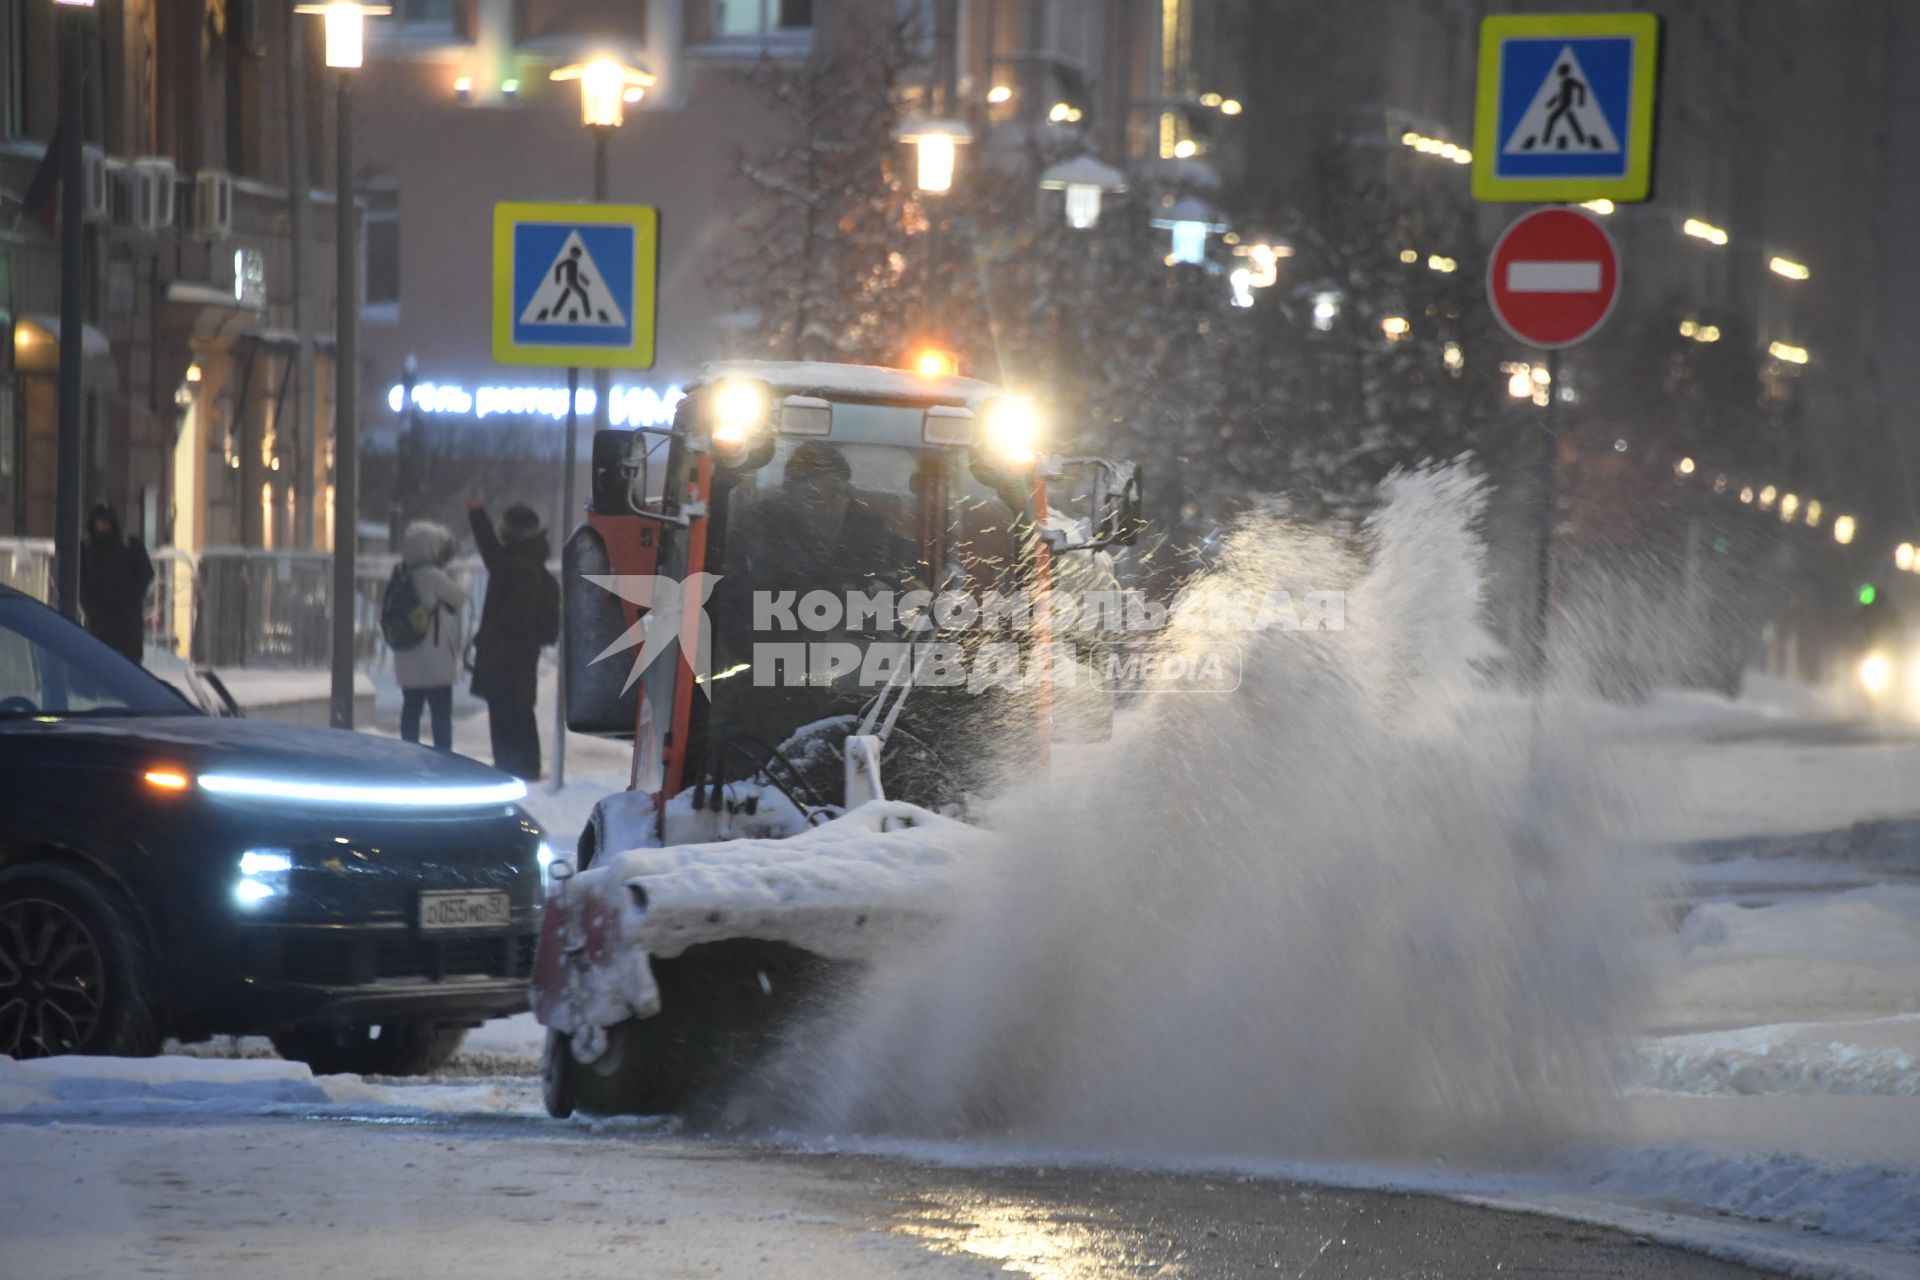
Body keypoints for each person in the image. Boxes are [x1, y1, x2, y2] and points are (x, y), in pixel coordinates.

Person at [466, 500, 559, 780]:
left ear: (516, 531)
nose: (501, 531)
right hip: (519, 655)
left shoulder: (517, 565)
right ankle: (520, 767)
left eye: (505, 526)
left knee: (508, 715)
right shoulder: (528, 561)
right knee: (517, 712)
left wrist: (478, 515)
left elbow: (491, 555)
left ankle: (515, 769)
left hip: (508, 656)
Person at [392, 520, 467, 752]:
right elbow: (459, 598)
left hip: (406, 655)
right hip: (434, 659)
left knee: (411, 709)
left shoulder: (399, 575)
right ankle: (443, 758)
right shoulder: (433, 576)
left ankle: (408, 751)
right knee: (440, 714)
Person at [79, 501, 153, 665]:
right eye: (98, 524)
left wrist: (131, 600)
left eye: (105, 523)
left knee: (130, 671)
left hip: (128, 624)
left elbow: (145, 573)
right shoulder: (86, 550)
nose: (102, 528)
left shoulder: (130, 546)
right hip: (100, 623)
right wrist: (92, 607)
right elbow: (80, 582)